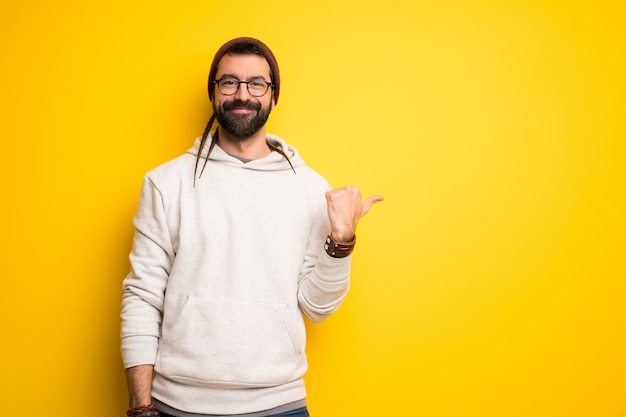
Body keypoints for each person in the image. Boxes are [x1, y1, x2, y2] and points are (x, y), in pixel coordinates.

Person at [120, 37, 383, 417]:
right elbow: (143, 296)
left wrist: (341, 242)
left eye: (256, 84)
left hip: (280, 404)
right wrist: (141, 407)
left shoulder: (311, 188)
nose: (242, 94)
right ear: (213, 92)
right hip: (177, 405)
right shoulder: (166, 183)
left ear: (274, 96)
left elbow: (317, 308)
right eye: (229, 82)